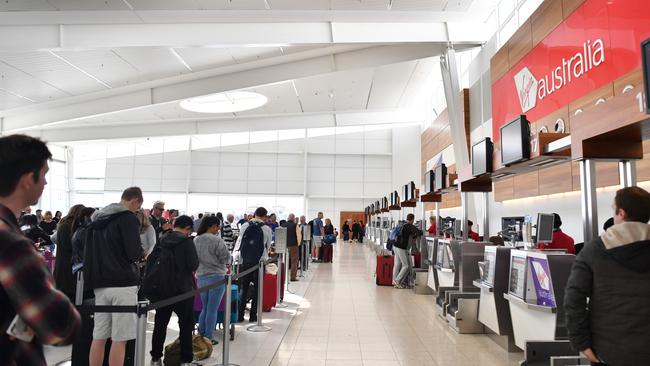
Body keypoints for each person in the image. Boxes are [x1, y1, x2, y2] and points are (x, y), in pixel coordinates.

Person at [0, 134, 80, 365]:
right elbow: (60, 326)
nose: (45, 182)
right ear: (27, 179)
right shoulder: (10, 244)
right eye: (43, 174)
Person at [564, 187, 650, 366]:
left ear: (621, 212)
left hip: (608, 350)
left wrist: (581, 343)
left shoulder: (594, 249)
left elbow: (574, 298)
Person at [85, 187, 144, 366]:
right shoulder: (127, 218)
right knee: (120, 338)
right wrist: (142, 253)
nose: (137, 211)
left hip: (100, 283)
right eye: (138, 207)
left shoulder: (97, 220)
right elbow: (134, 253)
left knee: (99, 336)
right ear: (135, 201)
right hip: (122, 283)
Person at [149, 215, 199, 366]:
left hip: (162, 289)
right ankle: (185, 359)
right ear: (188, 229)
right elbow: (193, 265)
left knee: (160, 324)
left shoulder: (162, 238)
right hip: (182, 290)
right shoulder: (186, 242)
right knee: (185, 325)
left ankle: (156, 357)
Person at [194, 215, 231, 344]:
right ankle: (208, 337)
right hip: (216, 277)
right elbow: (225, 258)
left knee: (204, 308)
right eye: (217, 226)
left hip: (201, 277)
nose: (218, 228)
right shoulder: (217, 240)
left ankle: (201, 334)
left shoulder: (196, 239)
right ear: (212, 226)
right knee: (212, 309)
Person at [234, 207, 272, 323]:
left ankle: (240, 315)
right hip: (259, 263)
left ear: (254, 214)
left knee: (243, 288)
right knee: (257, 289)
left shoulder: (245, 225)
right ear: (265, 216)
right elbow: (268, 245)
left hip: (244, 261)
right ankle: (253, 316)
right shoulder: (266, 229)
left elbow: (240, 241)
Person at [53, 204, 86, 300]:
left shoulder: (66, 224)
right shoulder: (67, 226)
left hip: (66, 267)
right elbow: (69, 245)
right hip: (67, 268)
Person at [392, 213, 424, 289]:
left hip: (395, 246)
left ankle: (394, 281)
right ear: (412, 219)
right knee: (406, 265)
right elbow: (419, 232)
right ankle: (397, 281)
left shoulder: (402, 224)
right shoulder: (409, 226)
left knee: (397, 264)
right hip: (401, 247)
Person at [282, 214, 302, 281]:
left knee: (284, 261)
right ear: (293, 219)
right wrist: (298, 244)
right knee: (294, 261)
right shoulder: (295, 225)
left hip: (285, 245)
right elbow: (298, 235)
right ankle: (293, 277)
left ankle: (283, 277)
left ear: (288, 218)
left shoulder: (283, 225)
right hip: (293, 245)